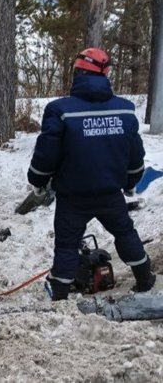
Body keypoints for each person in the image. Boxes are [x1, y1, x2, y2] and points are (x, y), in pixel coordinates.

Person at [28, 48, 155, 301]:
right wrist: (131, 183)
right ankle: (144, 278)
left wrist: (37, 181)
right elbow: (135, 157)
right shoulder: (125, 110)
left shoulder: (60, 110)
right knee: (125, 233)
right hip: (110, 193)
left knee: (66, 244)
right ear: (106, 73)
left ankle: (60, 295)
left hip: (73, 196)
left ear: (77, 73)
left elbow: (47, 153)